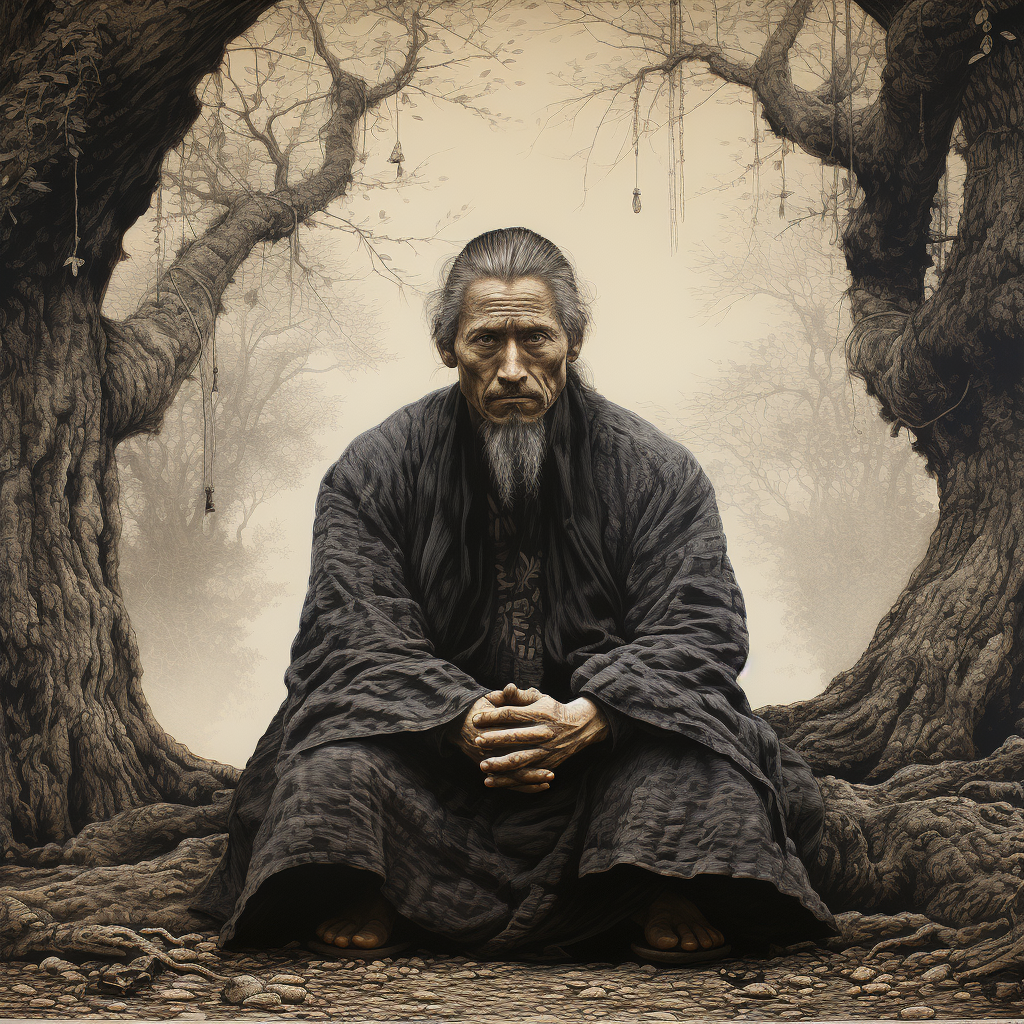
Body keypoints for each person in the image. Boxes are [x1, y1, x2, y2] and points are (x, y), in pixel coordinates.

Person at [192, 227, 837, 962]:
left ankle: (649, 880)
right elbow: (350, 638)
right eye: (485, 343)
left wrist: (591, 717)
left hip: (605, 757)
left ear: (573, 340)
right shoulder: (372, 470)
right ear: (448, 349)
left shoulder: (657, 471)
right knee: (329, 775)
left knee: (701, 772)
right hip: (425, 758)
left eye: (535, 339)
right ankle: (384, 877)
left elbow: (699, 632)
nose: (511, 369)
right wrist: (456, 718)